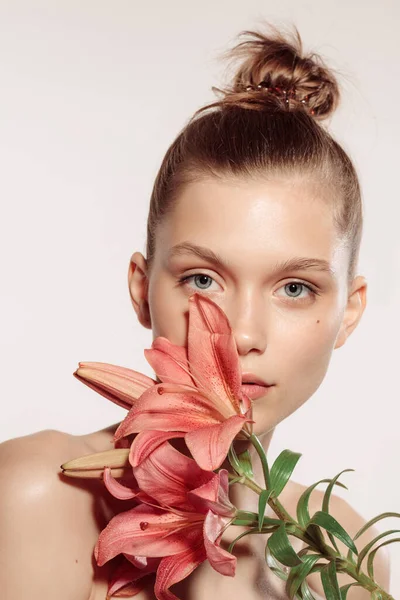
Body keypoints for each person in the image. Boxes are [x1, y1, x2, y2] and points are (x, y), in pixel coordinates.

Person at [0, 23, 391, 600]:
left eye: (295, 288)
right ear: (141, 289)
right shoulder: (35, 492)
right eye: (203, 279)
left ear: (350, 312)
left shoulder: (347, 556)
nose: (240, 336)